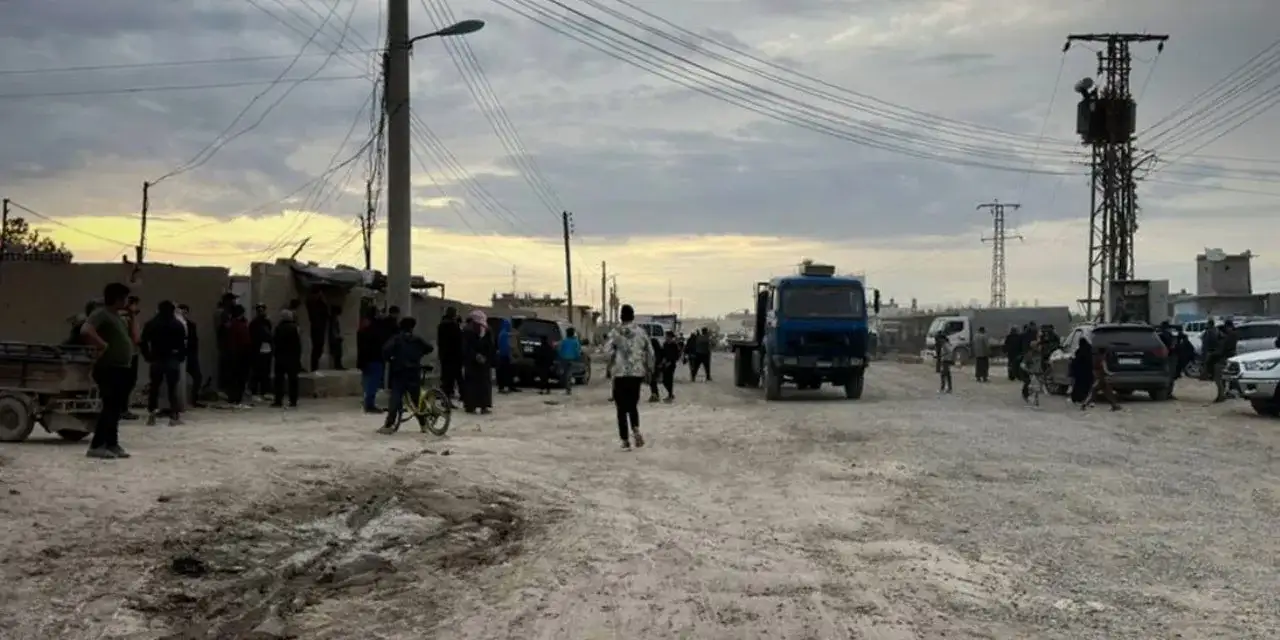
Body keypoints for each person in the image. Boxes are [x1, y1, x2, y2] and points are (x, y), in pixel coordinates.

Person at [79, 282, 137, 459]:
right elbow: (86, 330)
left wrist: (133, 316)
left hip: (121, 367)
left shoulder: (117, 316)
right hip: (108, 367)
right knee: (109, 407)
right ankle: (97, 445)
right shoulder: (101, 313)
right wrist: (102, 344)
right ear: (117, 298)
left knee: (115, 408)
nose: (127, 301)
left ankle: (112, 443)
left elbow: (135, 338)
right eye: (125, 298)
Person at [607, 304, 655, 451]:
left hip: (620, 374)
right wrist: (649, 368)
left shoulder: (615, 332)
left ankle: (625, 441)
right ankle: (635, 428)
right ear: (633, 316)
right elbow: (651, 352)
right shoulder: (641, 332)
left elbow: (607, 351)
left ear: (621, 316)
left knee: (621, 409)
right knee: (632, 405)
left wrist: (611, 362)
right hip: (636, 374)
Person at [378, 317, 434, 434]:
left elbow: (385, 350)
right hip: (414, 371)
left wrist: (390, 359)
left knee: (396, 398)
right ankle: (423, 424)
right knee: (416, 400)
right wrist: (419, 354)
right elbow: (429, 348)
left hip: (400, 372)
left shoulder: (396, 339)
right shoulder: (417, 339)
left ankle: (389, 424)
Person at [140, 300, 187, 427]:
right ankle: (174, 416)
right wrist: (181, 357)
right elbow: (182, 344)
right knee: (172, 388)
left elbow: (143, 341)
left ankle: (151, 415)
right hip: (172, 357)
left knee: (154, 388)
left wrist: (147, 356)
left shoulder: (151, 323)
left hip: (156, 357)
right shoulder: (177, 324)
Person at [461, 310, 494, 414]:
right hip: (481, 363)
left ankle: (471, 406)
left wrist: (476, 356)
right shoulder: (486, 329)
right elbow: (491, 346)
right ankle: (483, 406)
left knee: (472, 385)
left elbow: (465, 347)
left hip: (473, 362)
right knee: (482, 385)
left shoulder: (467, 329)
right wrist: (483, 357)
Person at [271, 309, 303, 408]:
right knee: (293, 380)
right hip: (292, 358)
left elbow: (274, 341)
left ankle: (278, 400)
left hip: (280, 357)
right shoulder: (295, 328)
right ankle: (293, 400)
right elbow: (298, 345)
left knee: (279, 380)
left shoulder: (278, 328)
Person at [176, 304, 206, 408]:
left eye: (185, 312)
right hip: (181, 355)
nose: (184, 315)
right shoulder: (176, 325)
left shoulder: (191, 325)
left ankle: (194, 399)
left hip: (190, 355)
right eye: (182, 312)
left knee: (198, 377)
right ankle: (178, 401)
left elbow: (194, 340)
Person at [223, 305, 253, 408]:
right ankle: (236, 397)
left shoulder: (233, 324)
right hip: (239, 353)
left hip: (236, 353)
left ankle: (234, 397)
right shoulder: (238, 324)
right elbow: (244, 339)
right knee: (239, 377)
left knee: (235, 377)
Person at [120, 295, 143, 420]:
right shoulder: (125, 318)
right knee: (127, 382)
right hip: (127, 354)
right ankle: (122, 409)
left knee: (126, 382)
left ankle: (122, 409)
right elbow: (136, 337)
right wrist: (133, 315)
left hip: (127, 353)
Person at [247, 304, 274, 400]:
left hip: (266, 349)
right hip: (257, 350)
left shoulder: (267, 322)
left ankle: (264, 391)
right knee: (257, 371)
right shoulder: (254, 323)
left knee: (265, 372)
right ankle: (254, 391)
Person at [436, 307, 463, 399]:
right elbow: (458, 341)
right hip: (454, 355)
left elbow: (440, 341)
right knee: (457, 376)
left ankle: (446, 396)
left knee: (446, 377)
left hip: (444, 355)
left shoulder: (441, 325)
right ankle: (462, 395)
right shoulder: (453, 325)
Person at [1089, 343, 1121, 411]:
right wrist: (1111, 374)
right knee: (1105, 391)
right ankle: (1086, 403)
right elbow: (1105, 369)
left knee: (1106, 391)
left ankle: (1114, 405)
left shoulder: (1096, 358)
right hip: (1101, 378)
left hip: (1098, 377)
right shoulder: (1102, 359)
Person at [1212, 322, 1238, 403]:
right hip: (1228, 358)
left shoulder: (1227, 338)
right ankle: (1224, 394)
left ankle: (1221, 395)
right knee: (1223, 379)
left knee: (1218, 379)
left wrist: (1213, 355)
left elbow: (1221, 350)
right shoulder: (1232, 336)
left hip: (1223, 359)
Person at [305, 292, 329, 372]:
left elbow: (326, 314)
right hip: (316, 328)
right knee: (316, 347)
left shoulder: (320, 305)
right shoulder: (312, 304)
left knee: (319, 347)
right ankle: (314, 367)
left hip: (320, 328)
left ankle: (315, 366)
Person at [1069, 337, 1095, 407]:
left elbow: (1076, 361)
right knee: (1087, 387)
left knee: (1079, 386)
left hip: (1080, 373)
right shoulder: (1089, 351)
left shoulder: (1080, 351)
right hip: (1087, 373)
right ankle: (1085, 399)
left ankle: (1078, 398)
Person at [558, 327, 583, 396]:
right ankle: (568, 389)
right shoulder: (576, 341)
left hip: (564, 359)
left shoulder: (564, 341)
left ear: (567, 333)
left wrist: (561, 357)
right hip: (573, 359)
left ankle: (567, 388)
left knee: (566, 374)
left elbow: (560, 350)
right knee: (569, 374)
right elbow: (578, 351)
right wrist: (578, 357)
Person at [659, 331, 681, 402]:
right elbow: (662, 353)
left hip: (671, 365)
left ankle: (670, 395)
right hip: (665, 364)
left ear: (670, 337)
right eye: (666, 336)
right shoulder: (665, 344)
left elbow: (676, 356)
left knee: (670, 380)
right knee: (664, 381)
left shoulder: (674, 345)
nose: (666, 337)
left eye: (667, 336)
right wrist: (662, 361)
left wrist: (670, 362)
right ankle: (670, 394)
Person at [496, 318, 515, 393]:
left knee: (505, 372)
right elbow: (506, 345)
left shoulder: (502, 333)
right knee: (505, 372)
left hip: (503, 356)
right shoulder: (504, 334)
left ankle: (505, 387)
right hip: (504, 356)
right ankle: (504, 387)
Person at [647, 331, 664, 402]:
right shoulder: (658, 351)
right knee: (652, 382)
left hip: (654, 367)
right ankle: (654, 394)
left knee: (652, 381)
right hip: (654, 367)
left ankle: (655, 395)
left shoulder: (655, 353)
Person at [327, 305, 345, 370]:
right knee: (338, 353)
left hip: (334, 338)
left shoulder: (333, 319)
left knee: (337, 353)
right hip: (335, 339)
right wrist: (337, 336)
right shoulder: (333, 319)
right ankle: (338, 365)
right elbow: (334, 329)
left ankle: (337, 365)